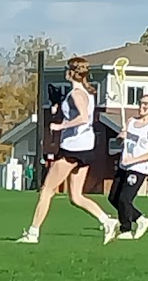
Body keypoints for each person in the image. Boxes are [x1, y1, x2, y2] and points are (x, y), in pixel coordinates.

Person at [18, 57, 119, 245]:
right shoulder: (85, 93)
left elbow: (83, 118)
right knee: (76, 197)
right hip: (85, 147)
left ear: (71, 72)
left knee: (47, 190)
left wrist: (61, 126)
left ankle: (32, 233)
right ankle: (107, 221)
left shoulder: (76, 94)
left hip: (73, 148)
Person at [108, 94, 148, 240]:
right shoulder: (130, 121)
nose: (143, 106)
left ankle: (126, 230)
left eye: (147, 104)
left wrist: (134, 159)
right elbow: (119, 142)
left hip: (138, 168)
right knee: (113, 198)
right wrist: (121, 137)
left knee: (125, 199)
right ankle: (141, 219)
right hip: (124, 165)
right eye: (141, 103)